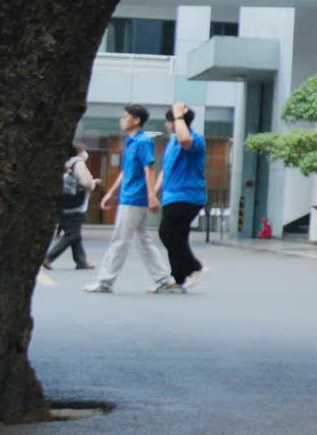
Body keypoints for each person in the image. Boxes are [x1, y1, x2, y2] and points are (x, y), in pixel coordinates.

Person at [88, 104, 170, 294]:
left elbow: (149, 169)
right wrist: (111, 193)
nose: (122, 120)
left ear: (136, 120)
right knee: (143, 240)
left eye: (125, 117)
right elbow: (125, 172)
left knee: (120, 240)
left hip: (135, 198)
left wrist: (152, 196)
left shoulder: (143, 142)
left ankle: (105, 281)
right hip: (128, 197)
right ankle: (163, 279)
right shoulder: (130, 142)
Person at [157, 102, 209, 291]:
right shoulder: (172, 143)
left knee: (167, 232)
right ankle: (178, 279)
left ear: (177, 122)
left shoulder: (195, 139)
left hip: (187, 196)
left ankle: (194, 267)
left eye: (168, 121)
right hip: (171, 196)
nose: (166, 124)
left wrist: (178, 114)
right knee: (178, 236)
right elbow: (166, 170)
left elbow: (185, 140)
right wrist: (154, 193)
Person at [48, 144, 95, 269]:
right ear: (79, 152)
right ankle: (49, 257)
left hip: (65, 201)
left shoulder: (65, 163)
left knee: (75, 233)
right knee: (72, 234)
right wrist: (92, 184)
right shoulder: (79, 163)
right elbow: (86, 182)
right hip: (77, 203)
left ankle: (81, 261)